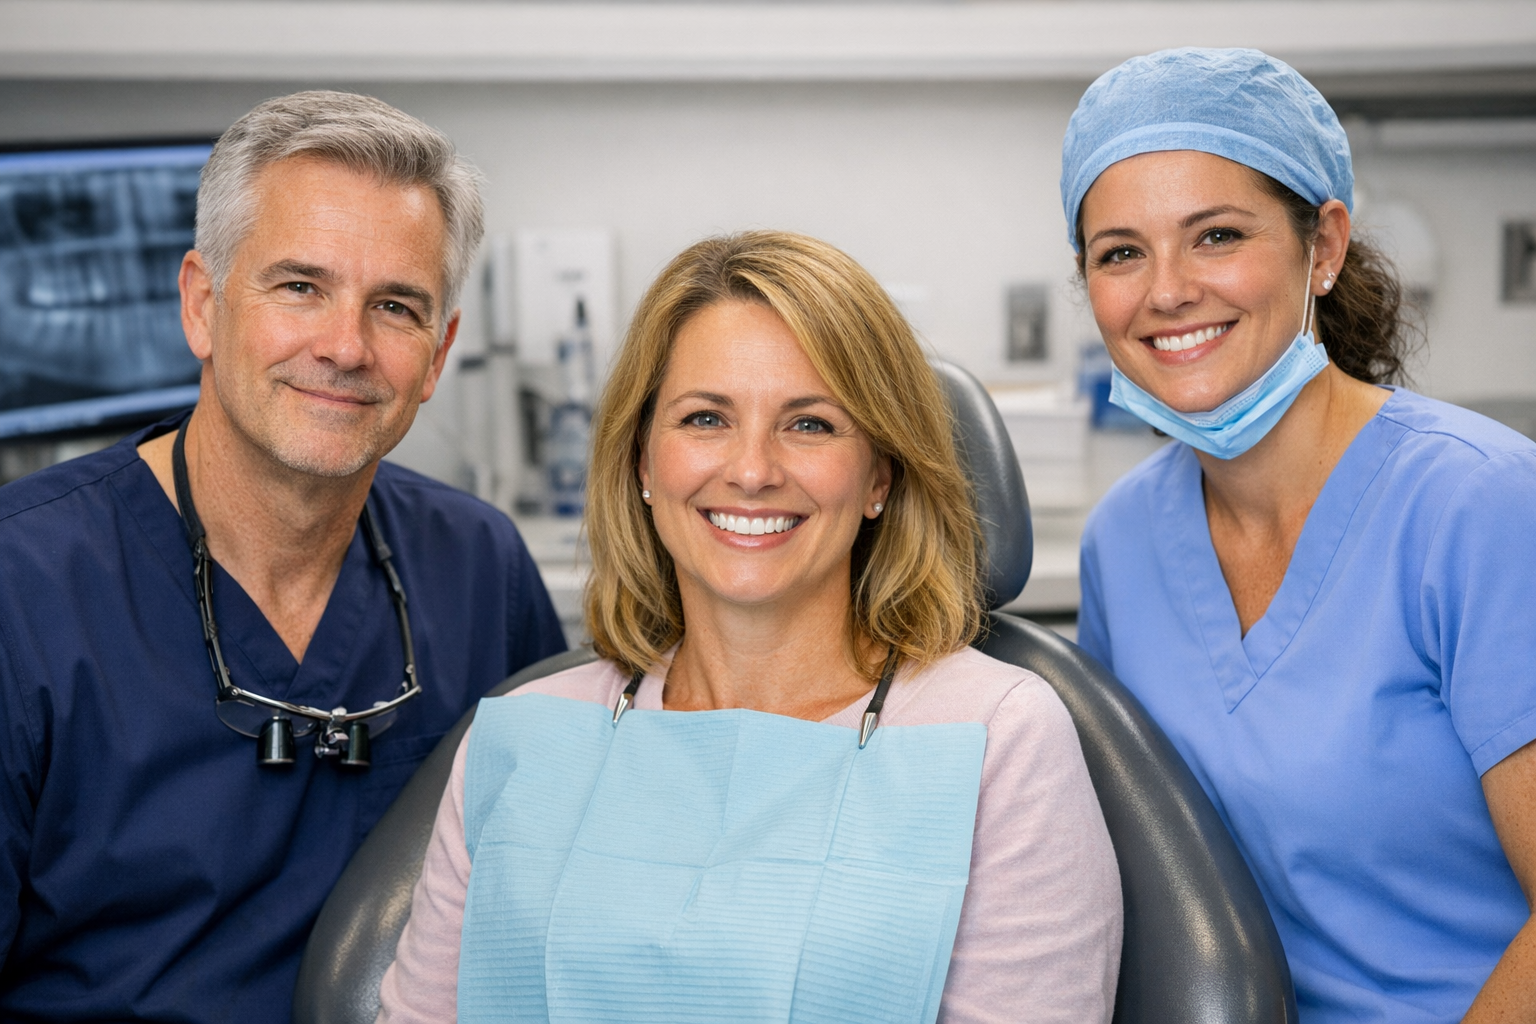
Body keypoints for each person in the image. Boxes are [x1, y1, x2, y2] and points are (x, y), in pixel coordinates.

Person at [376, 231, 1122, 1024]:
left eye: (810, 425)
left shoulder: (996, 735)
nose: (754, 469)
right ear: (642, 466)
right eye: (705, 418)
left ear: (879, 476)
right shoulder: (522, 737)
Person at [0, 91, 567, 1021]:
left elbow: (529, 905)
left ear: (437, 354)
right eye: (300, 286)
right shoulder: (24, 585)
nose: (345, 346)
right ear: (202, 305)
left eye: (395, 306)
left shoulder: (477, 565)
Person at [1066, 48, 1536, 1024]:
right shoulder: (1123, 542)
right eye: (1120, 252)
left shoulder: (1476, 506)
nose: (1166, 290)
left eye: (1216, 236)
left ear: (1322, 247)